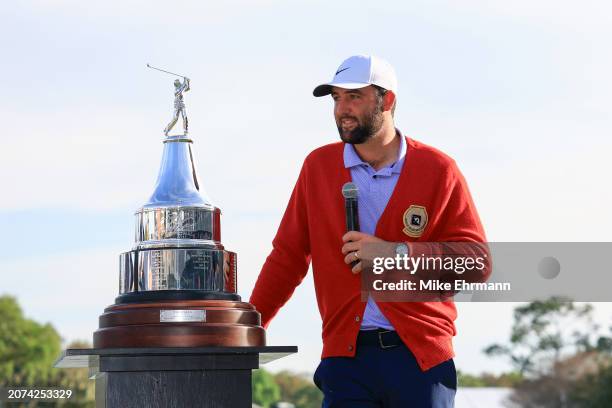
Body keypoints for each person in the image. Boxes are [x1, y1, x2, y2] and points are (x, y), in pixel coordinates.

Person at [249, 55, 487, 407]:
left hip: (420, 359)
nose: (342, 109)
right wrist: (250, 324)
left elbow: (477, 264)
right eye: (336, 98)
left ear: (387, 100)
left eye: (354, 97)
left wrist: (395, 253)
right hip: (346, 361)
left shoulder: (438, 169)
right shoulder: (318, 167)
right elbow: (288, 256)